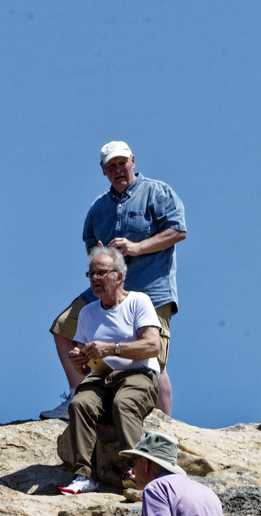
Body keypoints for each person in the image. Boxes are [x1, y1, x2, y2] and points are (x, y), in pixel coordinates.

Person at [42, 141, 186, 421]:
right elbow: (89, 244)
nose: (118, 169)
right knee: (63, 329)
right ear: (103, 170)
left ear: (133, 161)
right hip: (107, 290)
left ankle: (162, 428)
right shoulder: (99, 206)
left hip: (151, 288)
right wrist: (98, 254)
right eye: (112, 165)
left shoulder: (156, 191)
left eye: (122, 162)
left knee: (155, 362)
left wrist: (136, 247)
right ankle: (80, 394)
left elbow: (178, 230)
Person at [59, 246, 162, 494]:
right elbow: (88, 368)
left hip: (138, 374)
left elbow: (152, 346)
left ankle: (136, 468)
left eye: (101, 273)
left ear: (119, 276)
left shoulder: (139, 301)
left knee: (124, 403)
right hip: (104, 377)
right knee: (80, 403)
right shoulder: (87, 313)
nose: (95, 278)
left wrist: (112, 349)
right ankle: (84, 476)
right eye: (91, 274)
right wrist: (80, 361)